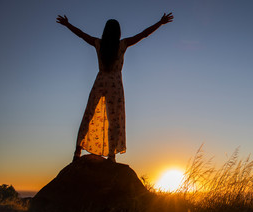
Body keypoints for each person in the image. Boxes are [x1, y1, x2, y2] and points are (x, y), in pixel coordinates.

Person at [56, 12, 174, 162]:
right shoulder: (122, 44)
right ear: (118, 32)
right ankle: (111, 155)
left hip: (100, 81)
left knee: (88, 114)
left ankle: (77, 151)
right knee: (114, 120)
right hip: (115, 85)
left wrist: (67, 25)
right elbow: (143, 34)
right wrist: (160, 22)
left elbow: (81, 35)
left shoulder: (98, 43)